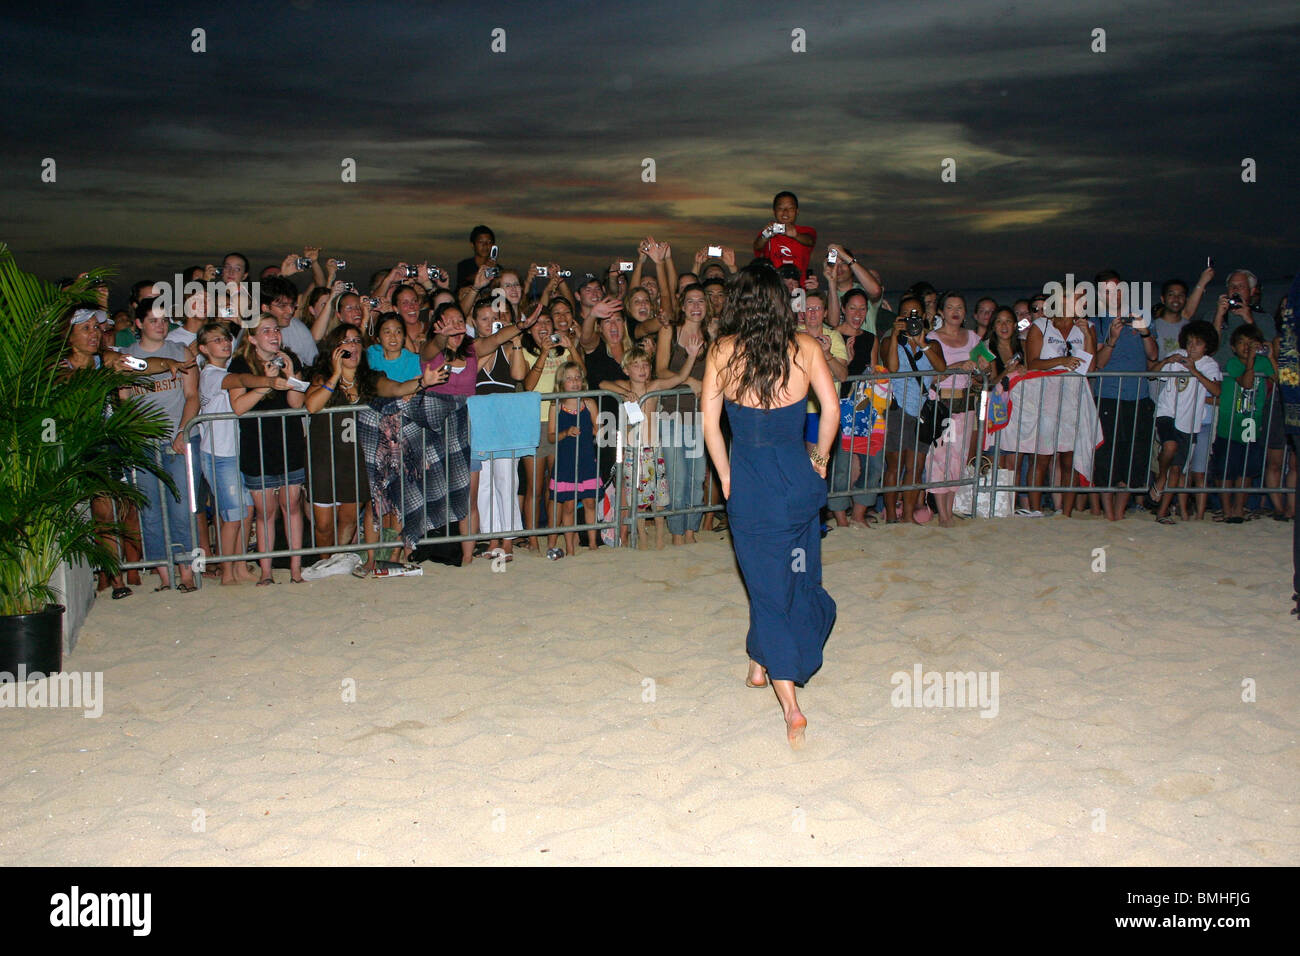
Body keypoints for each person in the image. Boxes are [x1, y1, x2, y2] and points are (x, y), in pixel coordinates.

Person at [701, 262, 838, 749]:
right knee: (795, 575)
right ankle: (758, 666)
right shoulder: (805, 347)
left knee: (766, 589)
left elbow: (711, 427)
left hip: (754, 489)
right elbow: (832, 410)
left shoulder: (722, 351)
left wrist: (726, 477)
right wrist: (819, 461)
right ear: (783, 302)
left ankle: (792, 708)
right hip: (799, 487)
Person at [223, 315, 308, 585]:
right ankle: (267, 572)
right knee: (265, 512)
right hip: (257, 445)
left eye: (276, 330)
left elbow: (296, 403)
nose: (274, 335)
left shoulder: (289, 358)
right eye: (266, 330)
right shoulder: (240, 364)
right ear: (251, 338)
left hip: (289, 441)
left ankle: (296, 570)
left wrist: (292, 373)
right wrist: (266, 384)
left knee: (292, 506)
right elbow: (238, 407)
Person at [123, 297, 201, 592]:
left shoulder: (180, 351)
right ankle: (164, 573)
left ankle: (186, 572)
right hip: (144, 441)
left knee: (182, 508)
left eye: (164, 320)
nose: (160, 325)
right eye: (153, 320)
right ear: (139, 324)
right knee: (151, 510)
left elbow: (192, 394)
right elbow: (124, 399)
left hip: (176, 440)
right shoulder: (126, 356)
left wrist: (182, 431)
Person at [302, 325, 378, 577]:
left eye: (356, 340)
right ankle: (326, 563)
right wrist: (335, 374)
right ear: (335, 348)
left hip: (356, 460)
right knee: (323, 525)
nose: (352, 345)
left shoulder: (370, 379)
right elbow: (311, 406)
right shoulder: (322, 378)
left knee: (348, 519)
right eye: (346, 341)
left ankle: (336, 559)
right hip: (325, 459)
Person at [195, 322, 257, 585]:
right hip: (219, 454)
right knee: (232, 516)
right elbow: (236, 380)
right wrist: (264, 384)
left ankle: (239, 565)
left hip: (232, 451)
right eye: (217, 340)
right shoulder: (210, 374)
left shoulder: (224, 368)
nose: (225, 343)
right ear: (203, 348)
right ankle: (227, 571)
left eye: (226, 339)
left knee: (246, 510)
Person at [882, 294, 946, 524]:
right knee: (894, 467)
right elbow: (892, 368)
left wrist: (922, 343)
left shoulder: (933, 343)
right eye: (907, 315)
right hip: (898, 410)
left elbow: (941, 370)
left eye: (915, 315)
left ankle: (908, 516)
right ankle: (890, 515)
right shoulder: (890, 341)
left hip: (922, 412)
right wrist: (895, 334)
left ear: (924, 317)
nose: (911, 319)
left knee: (915, 468)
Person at [1150, 321, 1221, 524]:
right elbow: (1152, 375)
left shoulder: (1209, 364)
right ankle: (1161, 477)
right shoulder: (1178, 355)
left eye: (1197, 343)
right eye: (1189, 342)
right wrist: (1166, 361)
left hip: (1189, 420)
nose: (1191, 347)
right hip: (1167, 411)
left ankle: (1162, 512)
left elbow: (1217, 391)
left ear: (1206, 346)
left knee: (1177, 469)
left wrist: (1194, 372)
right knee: (1169, 446)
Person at [655, 283, 709, 545]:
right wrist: (689, 382)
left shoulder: (712, 334)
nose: (696, 306)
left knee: (697, 478)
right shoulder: (670, 331)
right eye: (691, 301)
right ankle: (677, 533)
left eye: (701, 301)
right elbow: (661, 371)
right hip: (672, 415)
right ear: (682, 305)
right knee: (677, 478)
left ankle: (691, 531)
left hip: (700, 417)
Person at [923, 292, 980, 527]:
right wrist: (957, 367)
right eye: (950, 307)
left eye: (960, 307)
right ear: (941, 312)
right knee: (939, 458)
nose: (955, 311)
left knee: (959, 458)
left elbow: (984, 370)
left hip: (965, 406)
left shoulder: (974, 338)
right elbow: (929, 376)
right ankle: (942, 513)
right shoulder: (932, 338)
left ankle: (951, 508)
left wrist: (980, 370)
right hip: (942, 404)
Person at [1213, 325, 1273, 523]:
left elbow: (1280, 378)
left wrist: (1270, 355)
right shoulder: (1232, 363)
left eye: (1251, 343)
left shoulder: (1263, 362)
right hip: (1229, 425)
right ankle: (1227, 509)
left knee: (1246, 470)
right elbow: (1247, 383)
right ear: (1233, 347)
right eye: (1242, 343)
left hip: (1251, 424)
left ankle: (1239, 509)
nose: (1247, 347)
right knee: (1225, 470)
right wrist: (1252, 362)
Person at [546, 362, 600, 558]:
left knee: (590, 502)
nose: (575, 382)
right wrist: (565, 433)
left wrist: (599, 430)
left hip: (586, 458)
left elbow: (598, 428)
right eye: (569, 378)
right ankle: (569, 548)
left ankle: (593, 543)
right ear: (561, 382)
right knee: (568, 505)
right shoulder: (556, 405)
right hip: (565, 461)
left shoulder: (589, 403)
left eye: (577, 378)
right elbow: (550, 436)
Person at [752, 191, 816, 276]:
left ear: (797, 211)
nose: (785, 212)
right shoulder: (769, 231)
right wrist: (767, 234)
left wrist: (796, 235)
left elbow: (810, 241)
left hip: (798, 286)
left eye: (790, 208)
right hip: (774, 286)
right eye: (780, 208)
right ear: (774, 211)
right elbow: (757, 246)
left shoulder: (806, 231)